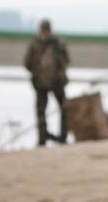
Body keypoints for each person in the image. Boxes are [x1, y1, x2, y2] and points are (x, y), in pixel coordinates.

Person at [23, 18, 69, 146]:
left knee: (65, 108)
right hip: (40, 84)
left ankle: (63, 136)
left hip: (57, 82)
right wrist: (37, 72)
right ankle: (42, 138)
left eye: (47, 30)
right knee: (40, 112)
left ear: (50, 30)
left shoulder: (58, 44)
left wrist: (59, 72)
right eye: (43, 30)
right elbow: (27, 63)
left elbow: (66, 60)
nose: (45, 32)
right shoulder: (34, 45)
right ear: (40, 30)